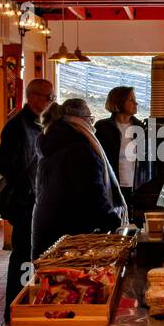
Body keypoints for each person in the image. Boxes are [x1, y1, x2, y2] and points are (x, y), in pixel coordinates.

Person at [32, 98, 124, 258]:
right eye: (90, 119)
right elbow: (91, 194)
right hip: (70, 236)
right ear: (80, 120)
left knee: (49, 280)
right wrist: (114, 222)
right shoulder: (80, 150)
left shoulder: (53, 143)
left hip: (48, 229)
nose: (92, 126)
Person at [0, 78, 53, 321]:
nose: (51, 102)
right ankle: (15, 308)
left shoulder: (39, 124)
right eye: (48, 97)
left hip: (34, 200)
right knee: (22, 255)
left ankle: (24, 303)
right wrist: (28, 187)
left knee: (31, 254)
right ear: (33, 97)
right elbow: (4, 165)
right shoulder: (17, 126)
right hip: (23, 203)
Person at [94, 86, 150, 221]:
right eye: (131, 100)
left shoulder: (141, 128)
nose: (136, 103)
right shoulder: (102, 128)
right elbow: (97, 160)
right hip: (111, 186)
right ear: (118, 102)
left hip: (136, 187)